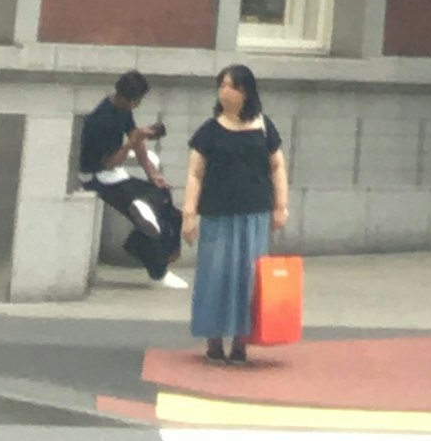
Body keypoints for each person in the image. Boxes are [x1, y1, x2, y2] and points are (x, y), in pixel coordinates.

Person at [185, 67, 281, 365]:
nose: (225, 91)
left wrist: (282, 206)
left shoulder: (264, 127)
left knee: (247, 277)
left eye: (232, 86)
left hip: (254, 213)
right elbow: (195, 173)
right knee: (215, 275)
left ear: (246, 92)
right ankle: (214, 340)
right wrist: (189, 213)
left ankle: (241, 342)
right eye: (222, 85)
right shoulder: (209, 131)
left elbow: (277, 167)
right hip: (217, 213)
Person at [74, 72, 180, 284]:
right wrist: (132, 141)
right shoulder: (100, 121)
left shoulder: (123, 109)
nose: (139, 104)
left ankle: (139, 243)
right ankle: (158, 272)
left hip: (113, 173)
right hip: (97, 177)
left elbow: (137, 142)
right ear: (131, 99)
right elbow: (111, 161)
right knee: (149, 215)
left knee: (163, 195)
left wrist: (153, 174)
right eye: (139, 99)